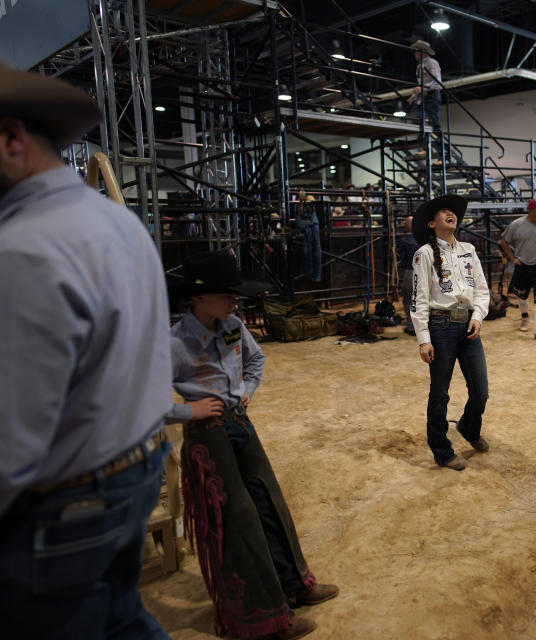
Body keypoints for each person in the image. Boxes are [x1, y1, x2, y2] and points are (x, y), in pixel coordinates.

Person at [0, 62, 174, 638]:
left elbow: (8, 449)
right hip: (134, 462)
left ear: (9, 138)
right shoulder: (115, 222)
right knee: (121, 615)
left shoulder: (21, 250)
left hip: (66, 502)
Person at [167, 251, 338, 640]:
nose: (234, 300)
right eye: (226, 294)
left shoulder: (232, 325)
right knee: (238, 523)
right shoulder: (173, 343)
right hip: (207, 437)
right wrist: (186, 411)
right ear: (198, 297)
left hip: (239, 424)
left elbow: (255, 360)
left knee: (268, 502)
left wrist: (247, 389)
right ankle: (262, 618)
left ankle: (294, 584)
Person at [410, 195, 490, 471]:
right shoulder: (424, 254)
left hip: (468, 324)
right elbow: (419, 299)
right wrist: (423, 339)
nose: (450, 213)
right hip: (441, 326)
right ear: (432, 224)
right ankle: (442, 451)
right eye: (443, 212)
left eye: (452, 211)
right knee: (440, 392)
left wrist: (478, 316)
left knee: (480, 390)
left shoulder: (468, 249)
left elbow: (481, 288)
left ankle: (468, 425)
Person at [499, 197, 536, 338]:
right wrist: (512, 258)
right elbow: (504, 242)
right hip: (522, 266)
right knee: (521, 296)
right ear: (532, 210)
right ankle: (524, 318)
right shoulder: (516, 225)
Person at [407, 40, 443, 151]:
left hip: (432, 95)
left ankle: (441, 150)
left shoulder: (432, 63)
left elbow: (437, 81)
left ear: (423, 52)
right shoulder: (419, 67)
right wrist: (414, 96)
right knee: (417, 119)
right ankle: (423, 147)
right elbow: (420, 85)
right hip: (424, 96)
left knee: (434, 122)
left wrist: (422, 88)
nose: (415, 54)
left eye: (417, 51)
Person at [398, 214, 420, 335]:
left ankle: (412, 327)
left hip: (410, 271)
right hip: (425, 272)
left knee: (408, 298)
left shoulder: (405, 240)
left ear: (406, 226)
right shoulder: (425, 239)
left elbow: (403, 259)